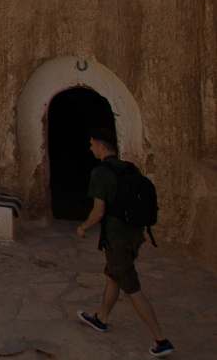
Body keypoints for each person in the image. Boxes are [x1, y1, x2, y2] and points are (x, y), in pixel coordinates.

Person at [75, 129, 173, 356]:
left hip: (117, 238)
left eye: (92, 144)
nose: (90, 148)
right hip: (135, 235)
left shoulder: (100, 173)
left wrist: (83, 227)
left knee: (131, 287)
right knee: (113, 275)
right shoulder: (130, 168)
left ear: (101, 147)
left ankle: (161, 339)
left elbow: (98, 212)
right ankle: (101, 318)